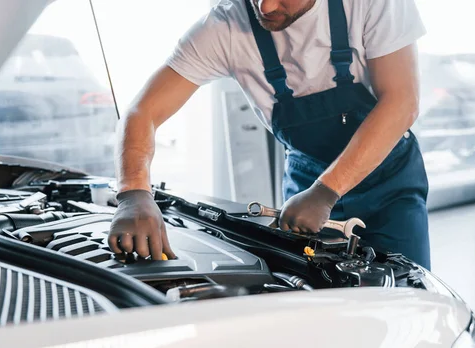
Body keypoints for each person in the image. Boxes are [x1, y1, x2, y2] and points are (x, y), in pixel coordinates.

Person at [107, 0, 432, 269]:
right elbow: (143, 112)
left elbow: (402, 102)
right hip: (305, 179)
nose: (265, 6)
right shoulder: (226, 26)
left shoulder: (373, 4)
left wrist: (326, 191)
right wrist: (134, 193)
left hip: (388, 182)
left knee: (406, 292)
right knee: (314, 295)